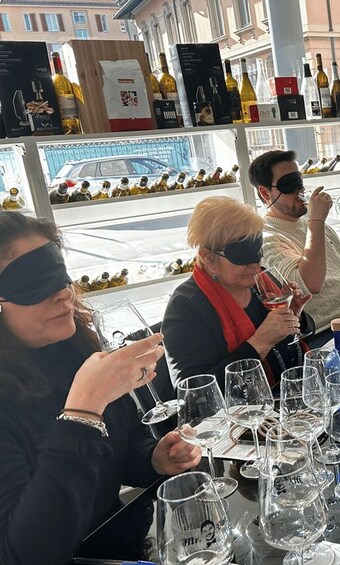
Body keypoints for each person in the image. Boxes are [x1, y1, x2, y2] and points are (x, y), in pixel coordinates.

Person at [0, 212, 201, 564]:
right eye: (35, 283)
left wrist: (152, 459)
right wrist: (83, 409)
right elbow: (25, 552)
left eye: (60, 275)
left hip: (122, 546)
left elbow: (118, 450)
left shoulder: (74, 351)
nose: (63, 293)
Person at [162, 196, 312, 389]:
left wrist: (295, 316)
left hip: (292, 390)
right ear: (208, 257)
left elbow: (298, 342)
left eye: (257, 250)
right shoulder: (185, 307)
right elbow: (193, 392)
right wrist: (260, 342)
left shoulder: (260, 282)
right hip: (248, 406)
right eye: (241, 254)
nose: (255, 264)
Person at [249, 150, 340, 346]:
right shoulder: (268, 239)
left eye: (299, 181)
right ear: (265, 193)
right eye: (288, 184)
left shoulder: (317, 226)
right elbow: (310, 285)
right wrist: (316, 220)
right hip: (327, 333)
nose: (299, 190)